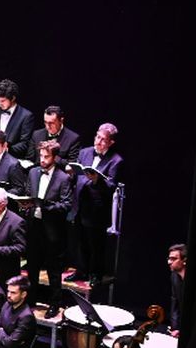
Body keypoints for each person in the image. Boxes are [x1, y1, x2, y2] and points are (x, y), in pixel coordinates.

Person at [21, 141, 75, 308]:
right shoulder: (33, 172)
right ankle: (30, 302)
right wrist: (26, 205)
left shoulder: (63, 178)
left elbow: (66, 205)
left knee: (53, 271)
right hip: (34, 227)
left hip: (52, 231)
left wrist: (46, 206)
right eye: (41, 156)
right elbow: (28, 194)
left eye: (46, 156)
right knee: (32, 269)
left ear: (55, 157)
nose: (42, 159)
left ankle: (54, 304)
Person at [70, 123, 123, 287]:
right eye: (97, 137)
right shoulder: (85, 152)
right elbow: (78, 174)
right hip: (79, 204)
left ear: (111, 142)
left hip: (97, 208)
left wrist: (97, 179)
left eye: (103, 139)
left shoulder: (116, 160)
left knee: (96, 245)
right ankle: (81, 270)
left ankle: (95, 274)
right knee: (80, 241)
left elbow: (111, 186)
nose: (98, 142)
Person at [0, 79, 38, 160]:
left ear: (13, 98)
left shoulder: (26, 116)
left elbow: (25, 144)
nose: (0, 104)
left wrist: (6, 148)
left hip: (12, 159)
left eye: (3, 101)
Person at [167, 243, 187, 335]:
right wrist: (175, 327)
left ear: (184, 260)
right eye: (169, 258)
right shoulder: (174, 276)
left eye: (173, 259)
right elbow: (175, 303)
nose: (169, 262)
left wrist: (182, 330)